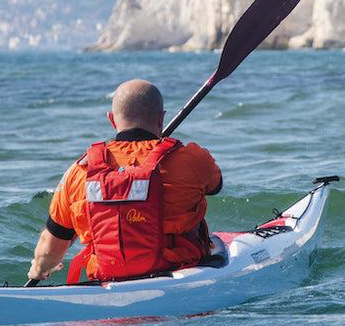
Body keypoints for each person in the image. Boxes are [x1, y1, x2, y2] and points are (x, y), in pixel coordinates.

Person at [28, 79, 222, 283]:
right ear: (161, 119)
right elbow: (216, 186)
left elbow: (51, 249)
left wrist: (39, 270)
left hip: (107, 283)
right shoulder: (192, 158)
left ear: (112, 120)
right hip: (181, 276)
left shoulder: (78, 172)